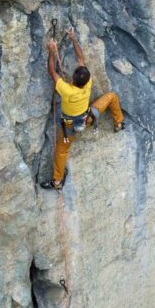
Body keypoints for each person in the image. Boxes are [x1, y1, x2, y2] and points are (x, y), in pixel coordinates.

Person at [39, 29, 125, 190]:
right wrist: (73, 38)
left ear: (73, 78)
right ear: (86, 80)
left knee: (61, 152)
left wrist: (51, 51)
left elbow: (52, 71)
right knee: (111, 97)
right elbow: (81, 59)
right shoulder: (88, 84)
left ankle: (57, 181)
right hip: (88, 118)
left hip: (70, 127)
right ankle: (119, 123)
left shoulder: (67, 90)